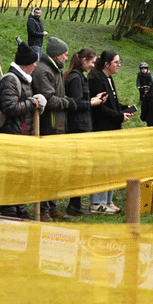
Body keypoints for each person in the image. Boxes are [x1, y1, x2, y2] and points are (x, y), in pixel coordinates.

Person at [0, 39, 45, 219]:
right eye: (34, 62)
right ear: (27, 64)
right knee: (12, 174)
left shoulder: (24, 80)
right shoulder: (11, 80)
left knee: (22, 174)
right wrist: (33, 103)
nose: (35, 65)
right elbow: (10, 107)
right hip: (12, 134)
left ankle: (20, 209)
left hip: (22, 134)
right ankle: (9, 209)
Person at [32, 37, 76, 222]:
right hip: (48, 127)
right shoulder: (44, 71)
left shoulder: (55, 69)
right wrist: (68, 102)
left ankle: (52, 206)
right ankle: (43, 209)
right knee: (46, 171)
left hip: (57, 126)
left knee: (54, 171)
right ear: (57, 55)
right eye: (66, 55)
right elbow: (49, 99)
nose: (67, 58)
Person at [88, 50, 134, 214]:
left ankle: (107, 200)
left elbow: (112, 103)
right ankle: (97, 202)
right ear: (107, 64)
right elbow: (100, 108)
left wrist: (124, 108)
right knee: (102, 165)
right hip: (102, 129)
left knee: (111, 165)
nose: (119, 65)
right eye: (116, 62)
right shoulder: (96, 79)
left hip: (113, 129)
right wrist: (119, 116)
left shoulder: (108, 78)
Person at [64, 48, 107, 216]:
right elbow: (76, 103)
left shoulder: (76, 76)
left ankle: (76, 203)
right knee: (78, 167)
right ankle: (74, 204)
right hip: (78, 126)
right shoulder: (75, 78)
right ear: (83, 61)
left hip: (80, 125)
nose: (92, 65)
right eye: (91, 62)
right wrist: (92, 102)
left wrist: (92, 99)